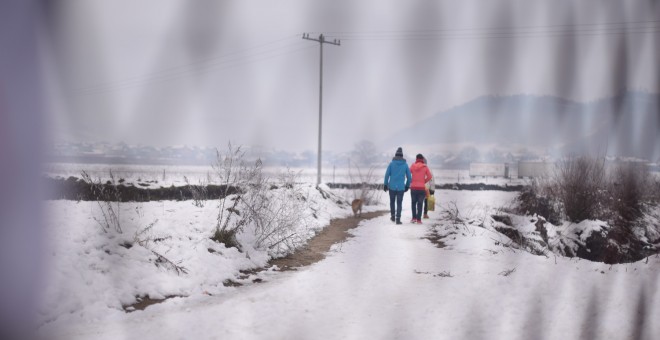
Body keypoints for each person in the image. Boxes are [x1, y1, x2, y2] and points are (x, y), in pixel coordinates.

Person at [383, 147, 411, 225]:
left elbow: (387, 175)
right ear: (402, 156)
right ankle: (398, 219)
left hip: (391, 186)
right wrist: (407, 186)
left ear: (395, 155)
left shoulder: (391, 164)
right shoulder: (405, 165)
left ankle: (392, 216)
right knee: (399, 203)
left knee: (392, 202)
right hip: (401, 187)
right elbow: (409, 177)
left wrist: (385, 184)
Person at [409, 153, 432, 224]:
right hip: (422, 188)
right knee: (420, 203)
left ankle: (413, 218)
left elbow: (408, 174)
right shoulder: (425, 167)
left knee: (413, 203)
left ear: (416, 159)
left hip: (413, 188)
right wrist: (424, 181)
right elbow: (430, 176)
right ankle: (419, 219)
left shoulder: (412, 166)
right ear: (422, 159)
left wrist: (411, 181)